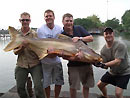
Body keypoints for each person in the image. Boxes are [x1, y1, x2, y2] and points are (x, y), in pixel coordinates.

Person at [61, 13, 94, 98]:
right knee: (73, 87)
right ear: (62, 22)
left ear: (73, 22)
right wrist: (75, 58)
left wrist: (80, 38)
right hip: (73, 65)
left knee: (86, 85)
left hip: (87, 62)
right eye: (67, 21)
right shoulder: (62, 36)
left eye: (71, 21)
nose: (69, 23)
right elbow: (64, 56)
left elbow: (91, 38)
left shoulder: (79, 28)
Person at [14, 12, 46, 98]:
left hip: (35, 64)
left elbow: (40, 50)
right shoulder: (16, 35)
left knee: (39, 87)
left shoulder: (35, 34)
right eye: (23, 20)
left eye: (27, 20)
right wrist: (22, 47)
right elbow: (15, 52)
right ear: (20, 20)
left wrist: (32, 46)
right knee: (20, 88)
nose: (25, 22)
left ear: (30, 21)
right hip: (21, 64)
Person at [37, 9, 64, 98]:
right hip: (45, 62)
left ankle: (56, 97)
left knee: (58, 82)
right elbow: (44, 47)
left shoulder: (59, 29)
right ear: (44, 18)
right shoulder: (40, 29)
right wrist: (57, 52)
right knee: (46, 83)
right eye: (46, 16)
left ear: (54, 17)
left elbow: (63, 44)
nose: (48, 18)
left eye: (50, 16)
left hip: (57, 61)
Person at [96, 27, 130, 98]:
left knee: (118, 93)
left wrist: (103, 64)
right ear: (104, 35)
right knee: (99, 85)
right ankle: (105, 96)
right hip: (113, 72)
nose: (108, 35)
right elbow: (105, 67)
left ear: (113, 34)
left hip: (124, 72)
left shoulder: (120, 45)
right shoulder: (103, 50)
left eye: (110, 33)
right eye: (106, 33)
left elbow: (117, 61)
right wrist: (97, 64)